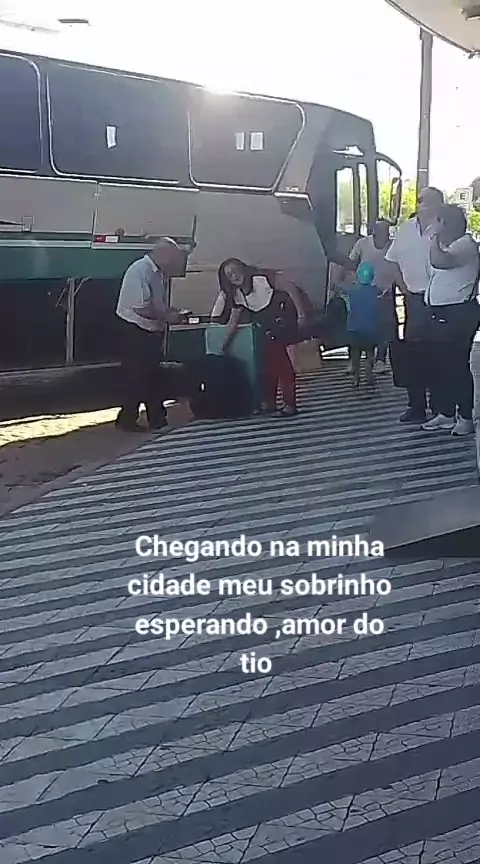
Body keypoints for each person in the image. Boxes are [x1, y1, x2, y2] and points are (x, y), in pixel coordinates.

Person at [215, 258, 307, 417]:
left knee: (281, 362)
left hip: (283, 312)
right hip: (265, 320)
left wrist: (301, 314)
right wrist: (225, 343)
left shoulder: (261, 280)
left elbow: (290, 287)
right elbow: (234, 320)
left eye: (236, 271)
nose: (234, 276)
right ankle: (270, 401)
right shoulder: (236, 294)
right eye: (229, 275)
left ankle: (289, 404)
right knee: (267, 363)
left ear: (244, 269)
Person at [385, 187, 445, 422]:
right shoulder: (405, 229)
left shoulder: (444, 229)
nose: (423, 204)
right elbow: (392, 261)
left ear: (439, 203)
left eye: (429, 200)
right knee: (413, 354)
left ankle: (441, 407)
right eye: (421, 200)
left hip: (441, 300)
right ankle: (416, 405)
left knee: (438, 354)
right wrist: (404, 289)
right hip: (415, 298)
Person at [115, 238, 186, 432]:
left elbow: (155, 303)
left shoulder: (157, 273)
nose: (174, 263)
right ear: (163, 254)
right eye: (173, 258)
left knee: (152, 376)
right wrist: (167, 317)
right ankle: (129, 420)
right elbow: (141, 308)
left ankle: (156, 419)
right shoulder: (140, 270)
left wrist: (171, 312)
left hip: (149, 329)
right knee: (138, 376)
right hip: (136, 330)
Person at [421, 204, 480, 436]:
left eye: (437, 221)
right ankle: (446, 413)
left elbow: (439, 261)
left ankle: (465, 416)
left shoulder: (465, 245)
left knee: (456, 365)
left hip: (458, 312)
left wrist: (433, 236)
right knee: (442, 365)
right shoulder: (453, 246)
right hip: (442, 312)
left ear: (446, 223)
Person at [349, 220, 397, 373]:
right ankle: (354, 362)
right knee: (359, 326)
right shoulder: (362, 243)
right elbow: (351, 262)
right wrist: (349, 280)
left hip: (386, 291)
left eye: (387, 231)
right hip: (364, 291)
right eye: (381, 231)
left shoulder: (393, 245)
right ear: (374, 232)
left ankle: (380, 360)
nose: (385, 234)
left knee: (386, 326)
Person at [340, 262, 382, 389]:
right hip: (371, 329)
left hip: (354, 329)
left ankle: (356, 378)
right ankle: (369, 375)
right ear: (372, 276)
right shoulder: (376, 291)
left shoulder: (352, 292)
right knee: (369, 353)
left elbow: (348, 307)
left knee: (355, 355)